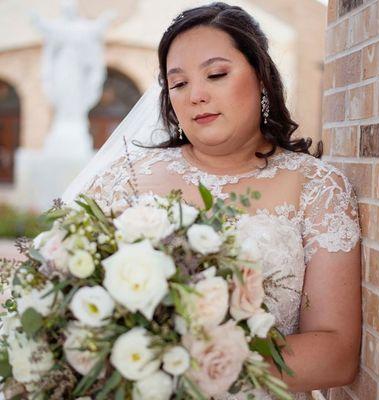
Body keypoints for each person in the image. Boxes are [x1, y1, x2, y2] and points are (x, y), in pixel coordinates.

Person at [66, 3, 361, 399]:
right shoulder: (125, 179)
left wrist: (189, 366)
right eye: (179, 84)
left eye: (216, 74)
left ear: (261, 78)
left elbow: (336, 355)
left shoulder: (317, 187)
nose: (196, 96)